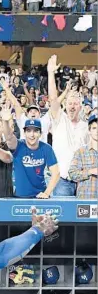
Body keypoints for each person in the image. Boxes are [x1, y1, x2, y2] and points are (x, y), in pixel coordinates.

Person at [47, 55, 89, 197]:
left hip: (83, 181)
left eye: (75, 103)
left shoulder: (87, 127)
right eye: (69, 103)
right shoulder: (59, 119)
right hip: (61, 181)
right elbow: (53, 98)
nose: (72, 106)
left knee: (85, 218)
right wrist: (51, 73)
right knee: (61, 218)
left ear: (81, 106)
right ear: (64, 105)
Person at [1, 105, 60, 199]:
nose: (32, 135)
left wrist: (47, 193)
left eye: (35, 131)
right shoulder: (18, 145)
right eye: (28, 131)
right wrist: (5, 121)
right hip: (20, 197)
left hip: (40, 197)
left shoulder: (46, 148)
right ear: (24, 133)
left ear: (40, 133)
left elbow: (56, 173)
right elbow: (8, 136)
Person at [68, 114, 98, 199]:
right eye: (94, 128)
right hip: (86, 200)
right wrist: (90, 171)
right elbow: (72, 174)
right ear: (89, 131)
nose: (97, 131)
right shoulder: (81, 152)